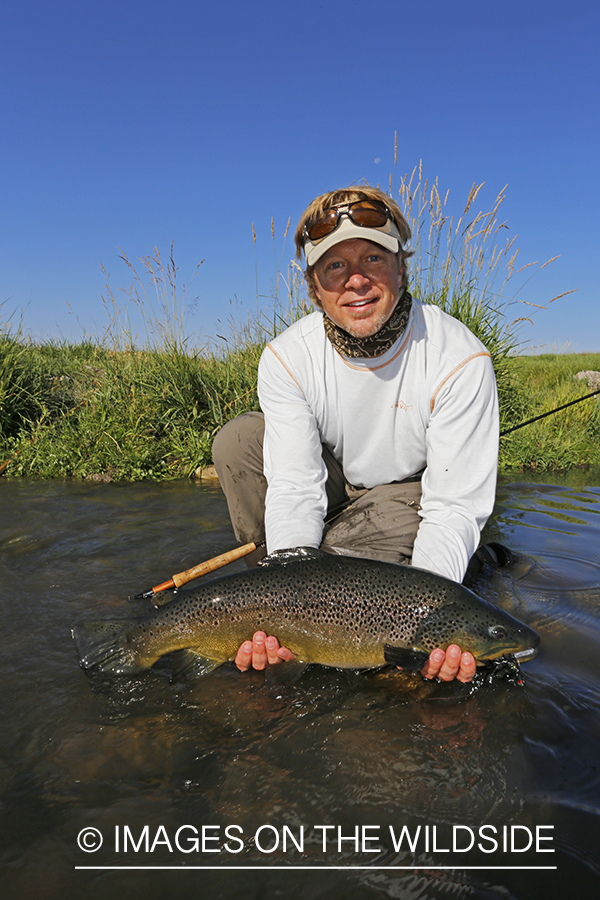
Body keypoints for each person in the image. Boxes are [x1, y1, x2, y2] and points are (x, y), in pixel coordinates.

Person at [213, 186, 499, 684]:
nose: (357, 281)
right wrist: (286, 590)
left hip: (409, 492)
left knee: (359, 573)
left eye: (373, 258)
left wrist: (431, 621)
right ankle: (266, 605)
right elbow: (295, 485)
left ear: (401, 268)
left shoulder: (460, 358)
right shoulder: (286, 357)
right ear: (314, 286)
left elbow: (452, 507)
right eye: (335, 266)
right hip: (333, 479)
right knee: (238, 441)